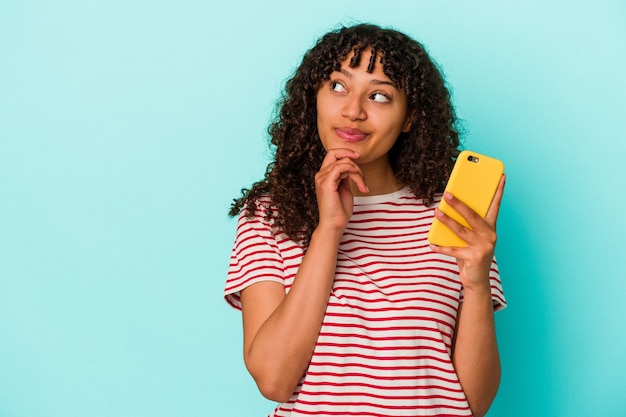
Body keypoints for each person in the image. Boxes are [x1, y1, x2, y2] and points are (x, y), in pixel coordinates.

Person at [224, 23, 506, 417]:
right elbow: (273, 379)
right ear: (314, 99)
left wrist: (476, 284)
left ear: (409, 118)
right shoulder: (269, 215)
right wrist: (329, 230)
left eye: (379, 95)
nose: (353, 110)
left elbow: (472, 405)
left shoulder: (454, 217)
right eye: (338, 86)